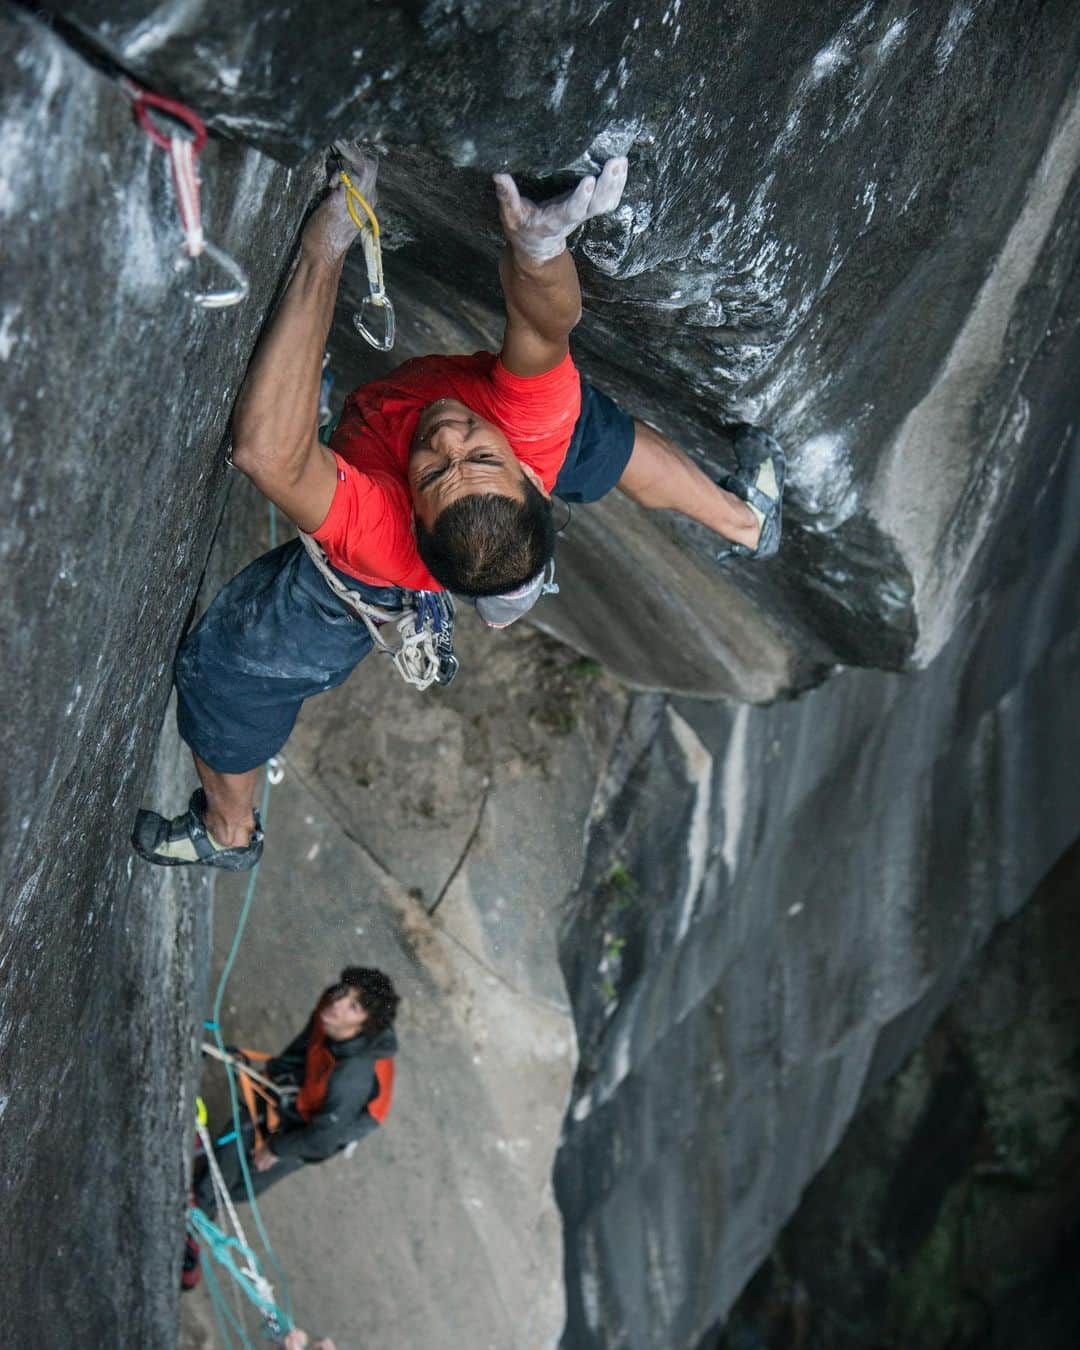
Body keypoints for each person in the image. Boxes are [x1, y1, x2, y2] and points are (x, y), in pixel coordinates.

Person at [133, 148, 784, 870]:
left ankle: (227, 833)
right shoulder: (530, 436)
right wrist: (539, 247)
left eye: (436, 469)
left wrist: (327, 246)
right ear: (532, 482)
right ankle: (745, 522)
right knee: (582, 427)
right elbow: (543, 326)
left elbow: (268, 453)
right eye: (477, 455)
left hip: (371, 580)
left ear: (408, 510)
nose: (447, 439)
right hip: (510, 471)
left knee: (230, 671)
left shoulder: (382, 536)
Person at [190, 967, 399, 1225]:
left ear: (362, 1028)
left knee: (250, 1180)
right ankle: (201, 1201)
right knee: (240, 1132)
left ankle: (215, 1196)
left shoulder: (351, 1078)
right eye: (343, 992)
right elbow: (306, 1046)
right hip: (319, 1086)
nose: (338, 1003)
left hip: (342, 1120)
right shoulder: (331, 1011)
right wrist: (275, 1075)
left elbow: (322, 1140)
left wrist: (277, 1147)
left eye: (353, 1007)